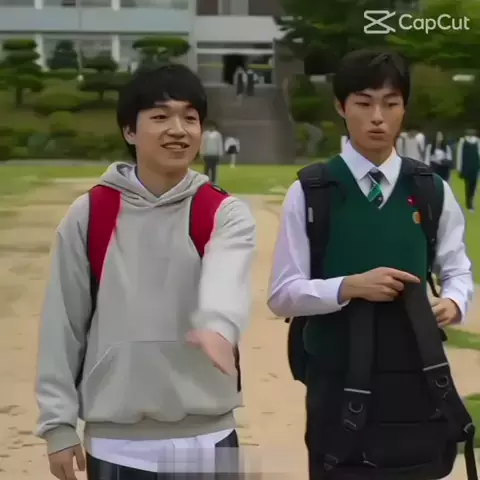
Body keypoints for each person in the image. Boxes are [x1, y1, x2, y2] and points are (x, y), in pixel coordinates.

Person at [35, 64, 256, 480]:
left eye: (190, 118)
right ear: (129, 131)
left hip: (209, 436)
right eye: (160, 116)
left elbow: (228, 278)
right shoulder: (91, 214)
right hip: (117, 442)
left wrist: (217, 323)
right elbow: (63, 323)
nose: (178, 130)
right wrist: (58, 425)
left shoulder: (223, 212)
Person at [268, 49, 473, 480]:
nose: (377, 117)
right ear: (341, 106)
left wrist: (454, 302)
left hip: (414, 375)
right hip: (335, 376)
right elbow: (283, 295)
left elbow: (457, 269)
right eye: (363, 103)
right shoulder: (312, 191)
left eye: (390, 103)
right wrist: (348, 287)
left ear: (404, 108)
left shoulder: (430, 189)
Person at [456, 128, 480, 211]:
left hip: (475, 166)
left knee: (473, 184)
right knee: (468, 184)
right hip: (466, 166)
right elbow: (459, 154)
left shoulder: (477, 141)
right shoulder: (462, 141)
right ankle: (469, 203)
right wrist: (459, 167)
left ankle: (471, 199)